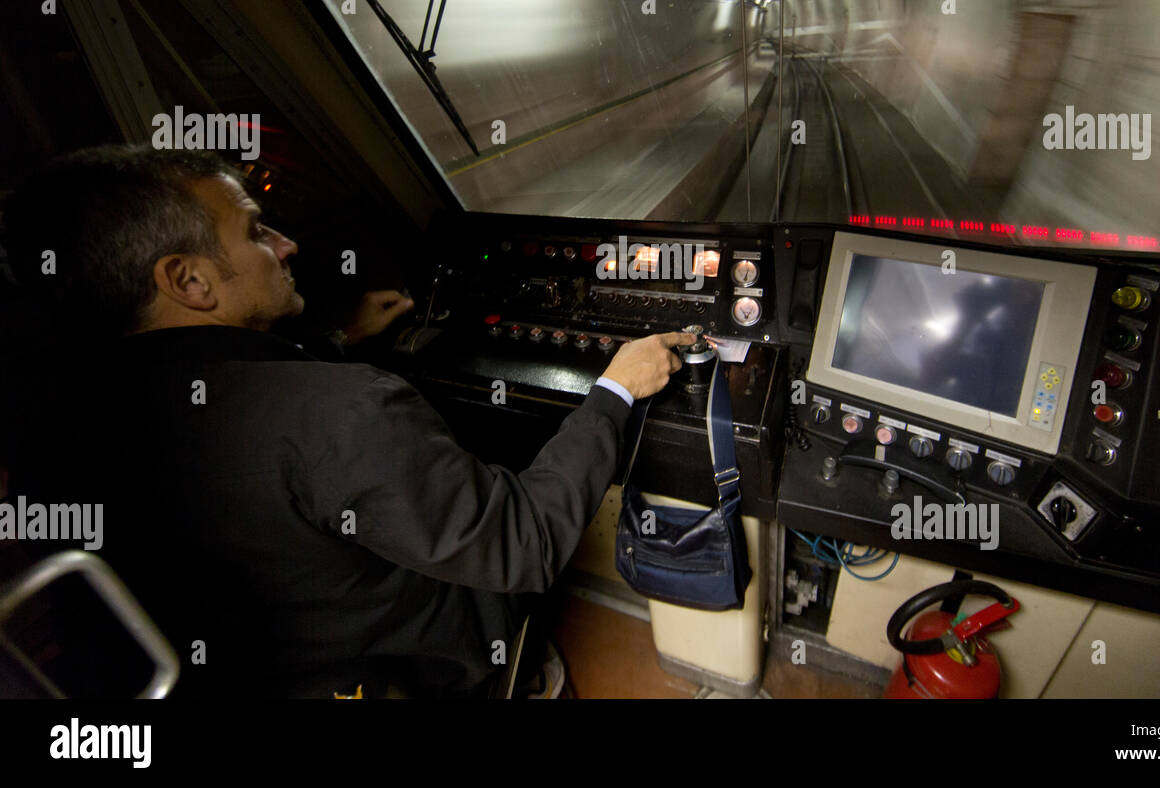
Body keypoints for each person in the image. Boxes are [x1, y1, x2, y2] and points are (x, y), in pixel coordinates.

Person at [1, 144, 693, 697]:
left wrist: (334, 343)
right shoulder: (345, 411)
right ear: (188, 282)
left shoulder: (44, 420)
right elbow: (523, 542)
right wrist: (614, 392)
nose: (286, 244)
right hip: (405, 669)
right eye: (255, 231)